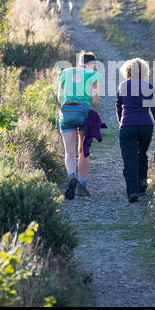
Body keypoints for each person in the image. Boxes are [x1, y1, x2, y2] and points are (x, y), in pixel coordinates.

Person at [115, 58, 155, 203]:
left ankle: (132, 191)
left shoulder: (123, 86)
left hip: (128, 125)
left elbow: (118, 106)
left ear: (128, 71)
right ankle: (142, 186)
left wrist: (121, 122)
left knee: (129, 159)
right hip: (145, 126)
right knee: (141, 154)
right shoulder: (149, 87)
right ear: (144, 71)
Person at [57, 51, 102, 199]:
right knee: (83, 151)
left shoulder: (65, 72)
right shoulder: (94, 75)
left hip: (67, 113)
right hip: (85, 114)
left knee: (69, 153)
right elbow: (95, 100)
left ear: (79, 61)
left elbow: (59, 97)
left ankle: (71, 176)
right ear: (93, 64)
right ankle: (82, 185)